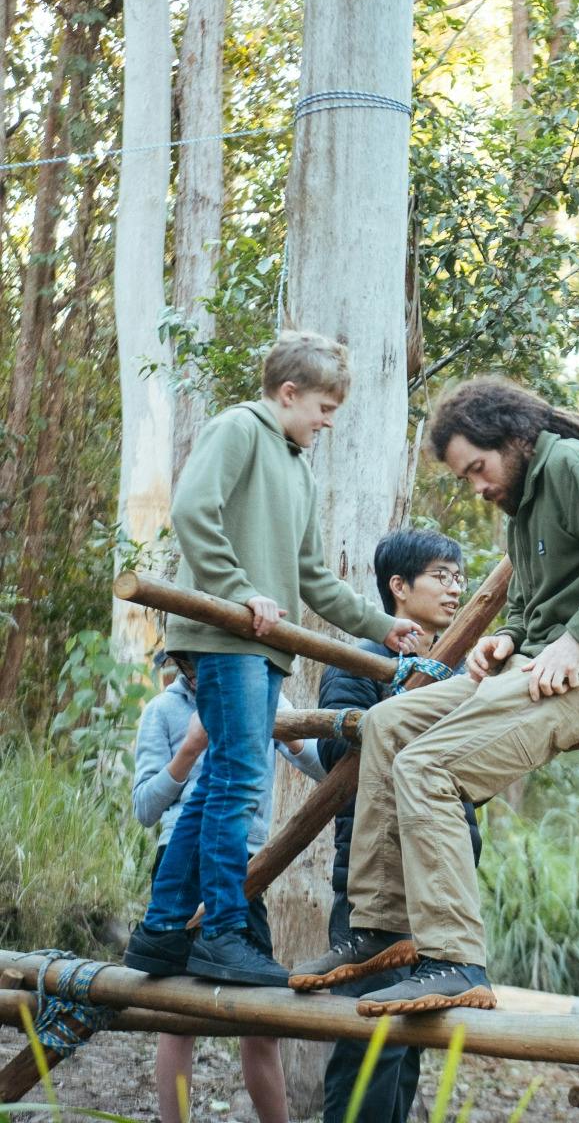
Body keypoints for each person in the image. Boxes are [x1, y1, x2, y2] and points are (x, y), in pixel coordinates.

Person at [289, 377, 579, 1015]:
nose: (477, 486)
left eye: (479, 467)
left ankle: (454, 960)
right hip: (537, 664)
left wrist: (577, 641)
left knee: (429, 766)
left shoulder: (576, 469)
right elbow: (533, 603)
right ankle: (382, 925)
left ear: (517, 439)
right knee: (387, 724)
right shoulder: (524, 502)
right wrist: (504, 639)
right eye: (465, 477)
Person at [125, 332, 422, 987]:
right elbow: (192, 510)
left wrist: (383, 627)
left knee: (219, 780)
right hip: (223, 636)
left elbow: (313, 576)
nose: (327, 421)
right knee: (238, 778)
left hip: (263, 647)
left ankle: (163, 929)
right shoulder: (240, 430)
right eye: (323, 407)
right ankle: (223, 932)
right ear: (288, 394)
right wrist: (239, 591)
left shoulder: (297, 466)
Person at [312, 529, 476, 1123]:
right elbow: (337, 758)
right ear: (398, 587)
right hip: (373, 871)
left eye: (460, 577)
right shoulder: (362, 655)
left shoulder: (463, 664)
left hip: (440, 876)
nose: (455, 588)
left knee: (410, 1039)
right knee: (368, 1033)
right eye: (441, 575)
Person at [132, 651, 323, 1122]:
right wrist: (189, 751)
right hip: (182, 859)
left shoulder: (262, 694)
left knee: (260, 1016)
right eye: (191, 670)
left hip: (246, 863)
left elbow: (323, 769)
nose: (201, 678)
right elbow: (145, 807)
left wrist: (287, 734)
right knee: (177, 1016)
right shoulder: (163, 710)